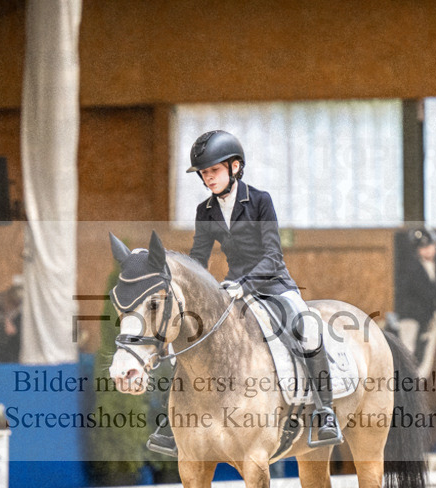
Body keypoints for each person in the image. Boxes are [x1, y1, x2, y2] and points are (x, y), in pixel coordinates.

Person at [146, 130, 341, 456]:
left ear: (235, 167)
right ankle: (173, 422)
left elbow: (272, 255)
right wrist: (193, 292)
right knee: (191, 337)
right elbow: (198, 259)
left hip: (272, 282)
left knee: (306, 327)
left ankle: (325, 410)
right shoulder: (205, 210)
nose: (208, 178)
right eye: (204, 173)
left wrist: (245, 285)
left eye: (214, 171)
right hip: (230, 288)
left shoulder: (260, 200)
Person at [396, 226, 436, 371]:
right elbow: (414, 295)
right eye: (423, 248)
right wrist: (431, 310)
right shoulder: (411, 269)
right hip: (412, 315)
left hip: (432, 316)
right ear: (417, 250)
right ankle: (407, 374)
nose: (428, 250)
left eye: (430, 246)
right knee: (408, 343)